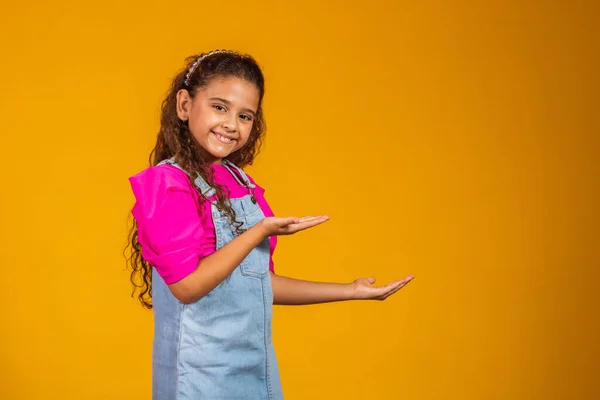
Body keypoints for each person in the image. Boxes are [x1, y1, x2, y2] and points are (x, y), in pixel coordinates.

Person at [126, 49, 414, 400]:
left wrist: (349, 291)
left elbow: (258, 284)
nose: (232, 124)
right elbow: (188, 286)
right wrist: (259, 231)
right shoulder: (167, 185)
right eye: (219, 107)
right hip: (200, 378)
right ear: (184, 105)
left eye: (245, 115)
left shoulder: (241, 184)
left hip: (255, 369)